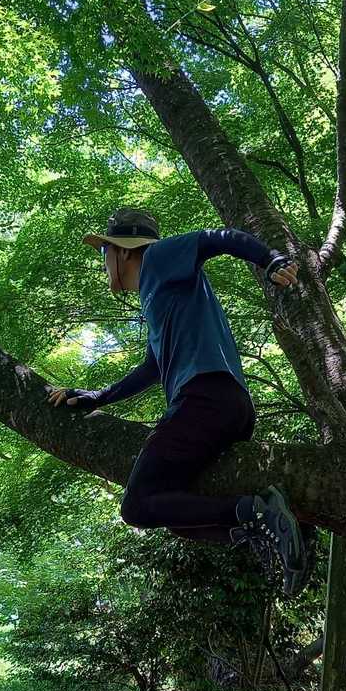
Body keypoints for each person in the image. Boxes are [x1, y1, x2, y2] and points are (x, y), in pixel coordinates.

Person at [48, 207, 311, 597]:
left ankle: (257, 513)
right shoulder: (159, 296)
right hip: (228, 407)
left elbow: (217, 238)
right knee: (176, 517)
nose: (102, 261)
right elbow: (153, 367)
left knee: (137, 507)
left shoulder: (157, 258)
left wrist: (270, 259)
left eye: (104, 251)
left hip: (204, 399)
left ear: (123, 251)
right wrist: (98, 397)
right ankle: (280, 529)